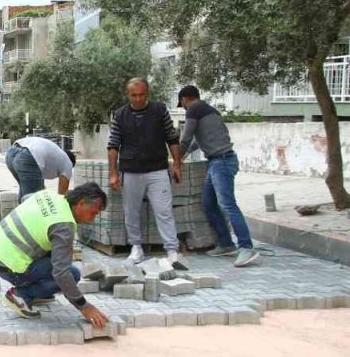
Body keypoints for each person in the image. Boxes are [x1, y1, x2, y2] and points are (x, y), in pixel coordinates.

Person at [0, 183, 111, 328]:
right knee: (72, 274)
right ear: (80, 203)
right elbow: (61, 273)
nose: (92, 219)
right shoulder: (64, 226)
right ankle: (20, 294)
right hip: (8, 265)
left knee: (57, 262)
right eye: (93, 213)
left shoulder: (50, 195)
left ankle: (37, 292)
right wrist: (84, 306)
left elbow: (26, 198)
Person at [177, 86, 259, 267]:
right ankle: (226, 244)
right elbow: (200, 140)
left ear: (184, 99)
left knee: (228, 205)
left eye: (182, 103)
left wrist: (176, 160)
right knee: (208, 203)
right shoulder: (209, 110)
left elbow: (186, 138)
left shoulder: (194, 109)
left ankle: (246, 247)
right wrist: (184, 155)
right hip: (217, 162)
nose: (183, 107)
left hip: (222, 162)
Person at [107, 77, 184, 268]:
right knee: (131, 212)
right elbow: (113, 145)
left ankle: (172, 251)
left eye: (142, 95)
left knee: (164, 211)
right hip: (131, 171)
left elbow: (172, 138)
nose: (138, 99)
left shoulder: (159, 110)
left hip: (157, 170)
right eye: (134, 95)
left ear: (147, 93)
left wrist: (177, 163)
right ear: (128, 95)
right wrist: (113, 173)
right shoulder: (120, 115)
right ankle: (136, 248)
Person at [6, 135, 76, 202]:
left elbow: (39, 183)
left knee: (26, 195)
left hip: (11, 152)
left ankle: (21, 213)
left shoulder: (55, 156)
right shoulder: (68, 163)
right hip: (28, 155)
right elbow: (61, 195)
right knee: (35, 200)